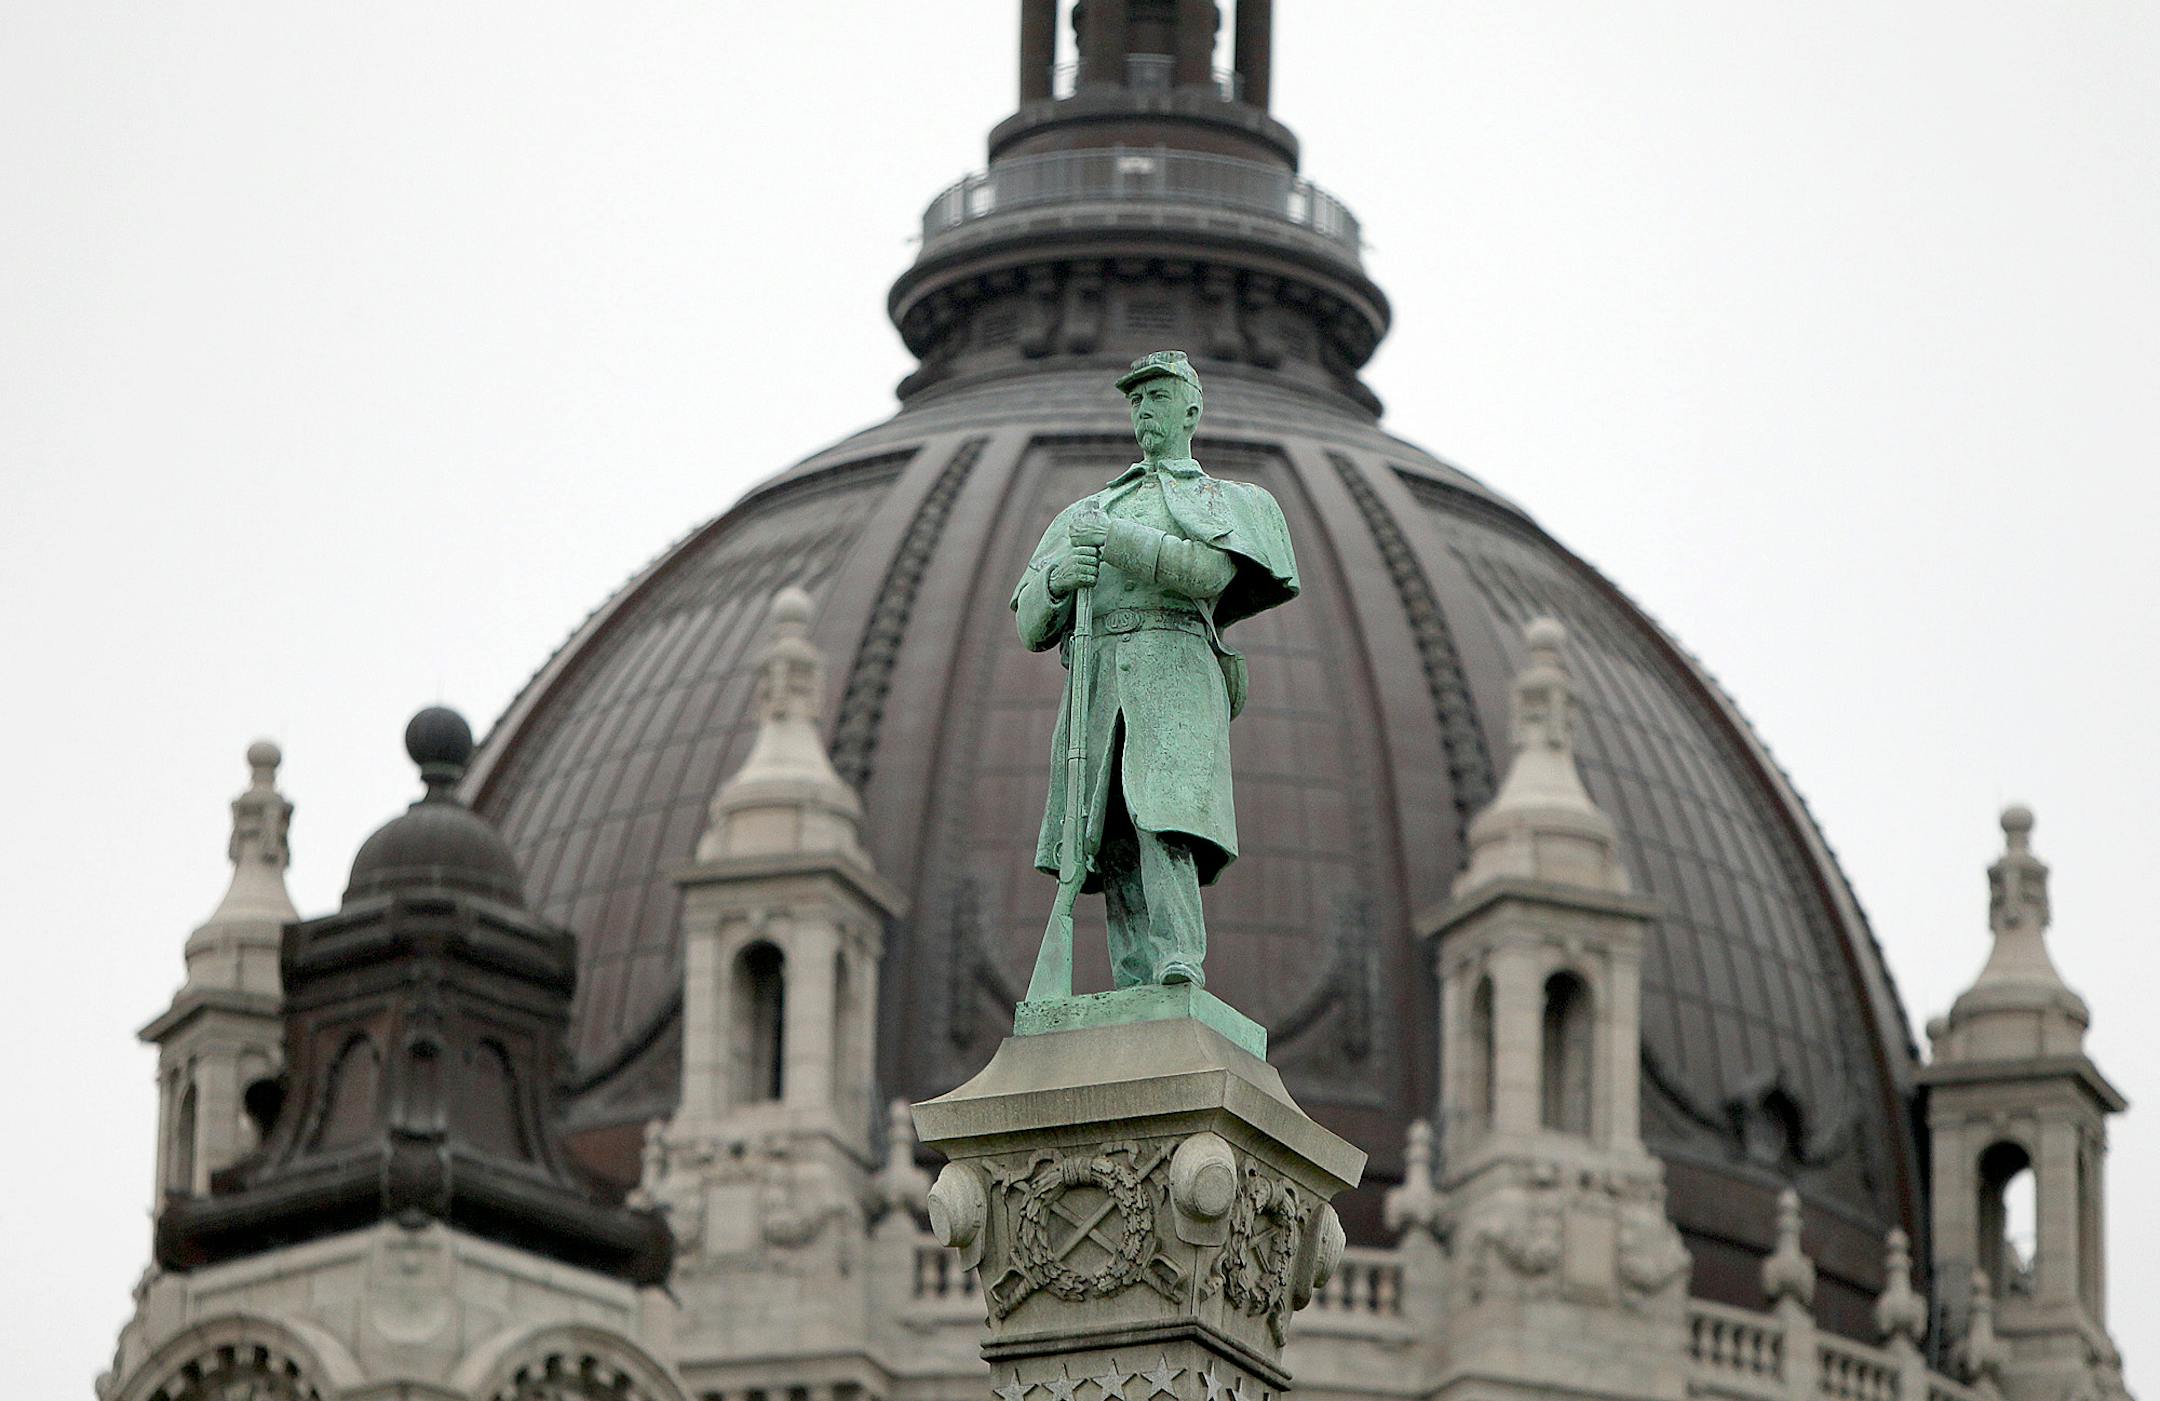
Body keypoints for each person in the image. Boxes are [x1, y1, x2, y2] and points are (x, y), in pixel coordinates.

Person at [1011, 350, 1299, 989]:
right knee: (1106, 832)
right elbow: (1030, 622)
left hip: (1175, 668)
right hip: (1098, 676)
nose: (1143, 410)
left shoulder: (1221, 501)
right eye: (1135, 399)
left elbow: (1208, 573)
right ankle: (1134, 974)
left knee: (1165, 816)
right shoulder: (1086, 509)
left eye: (1157, 397)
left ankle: (1178, 957)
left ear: (1192, 408)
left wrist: (1114, 543)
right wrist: (1060, 577)